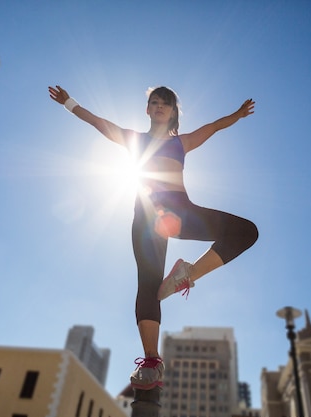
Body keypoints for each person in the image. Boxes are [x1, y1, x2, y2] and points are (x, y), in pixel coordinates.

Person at [48, 84, 259, 390]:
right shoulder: (135, 140)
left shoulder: (182, 144)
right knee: (148, 282)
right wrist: (68, 102)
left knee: (246, 231)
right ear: (147, 110)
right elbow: (98, 122)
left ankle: (188, 273)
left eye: (166, 103)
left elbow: (213, 127)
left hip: (181, 212)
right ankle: (151, 361)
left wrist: (238, 115)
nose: (160, 106)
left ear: (173, 112)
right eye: (155, 102)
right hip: (147, 218)